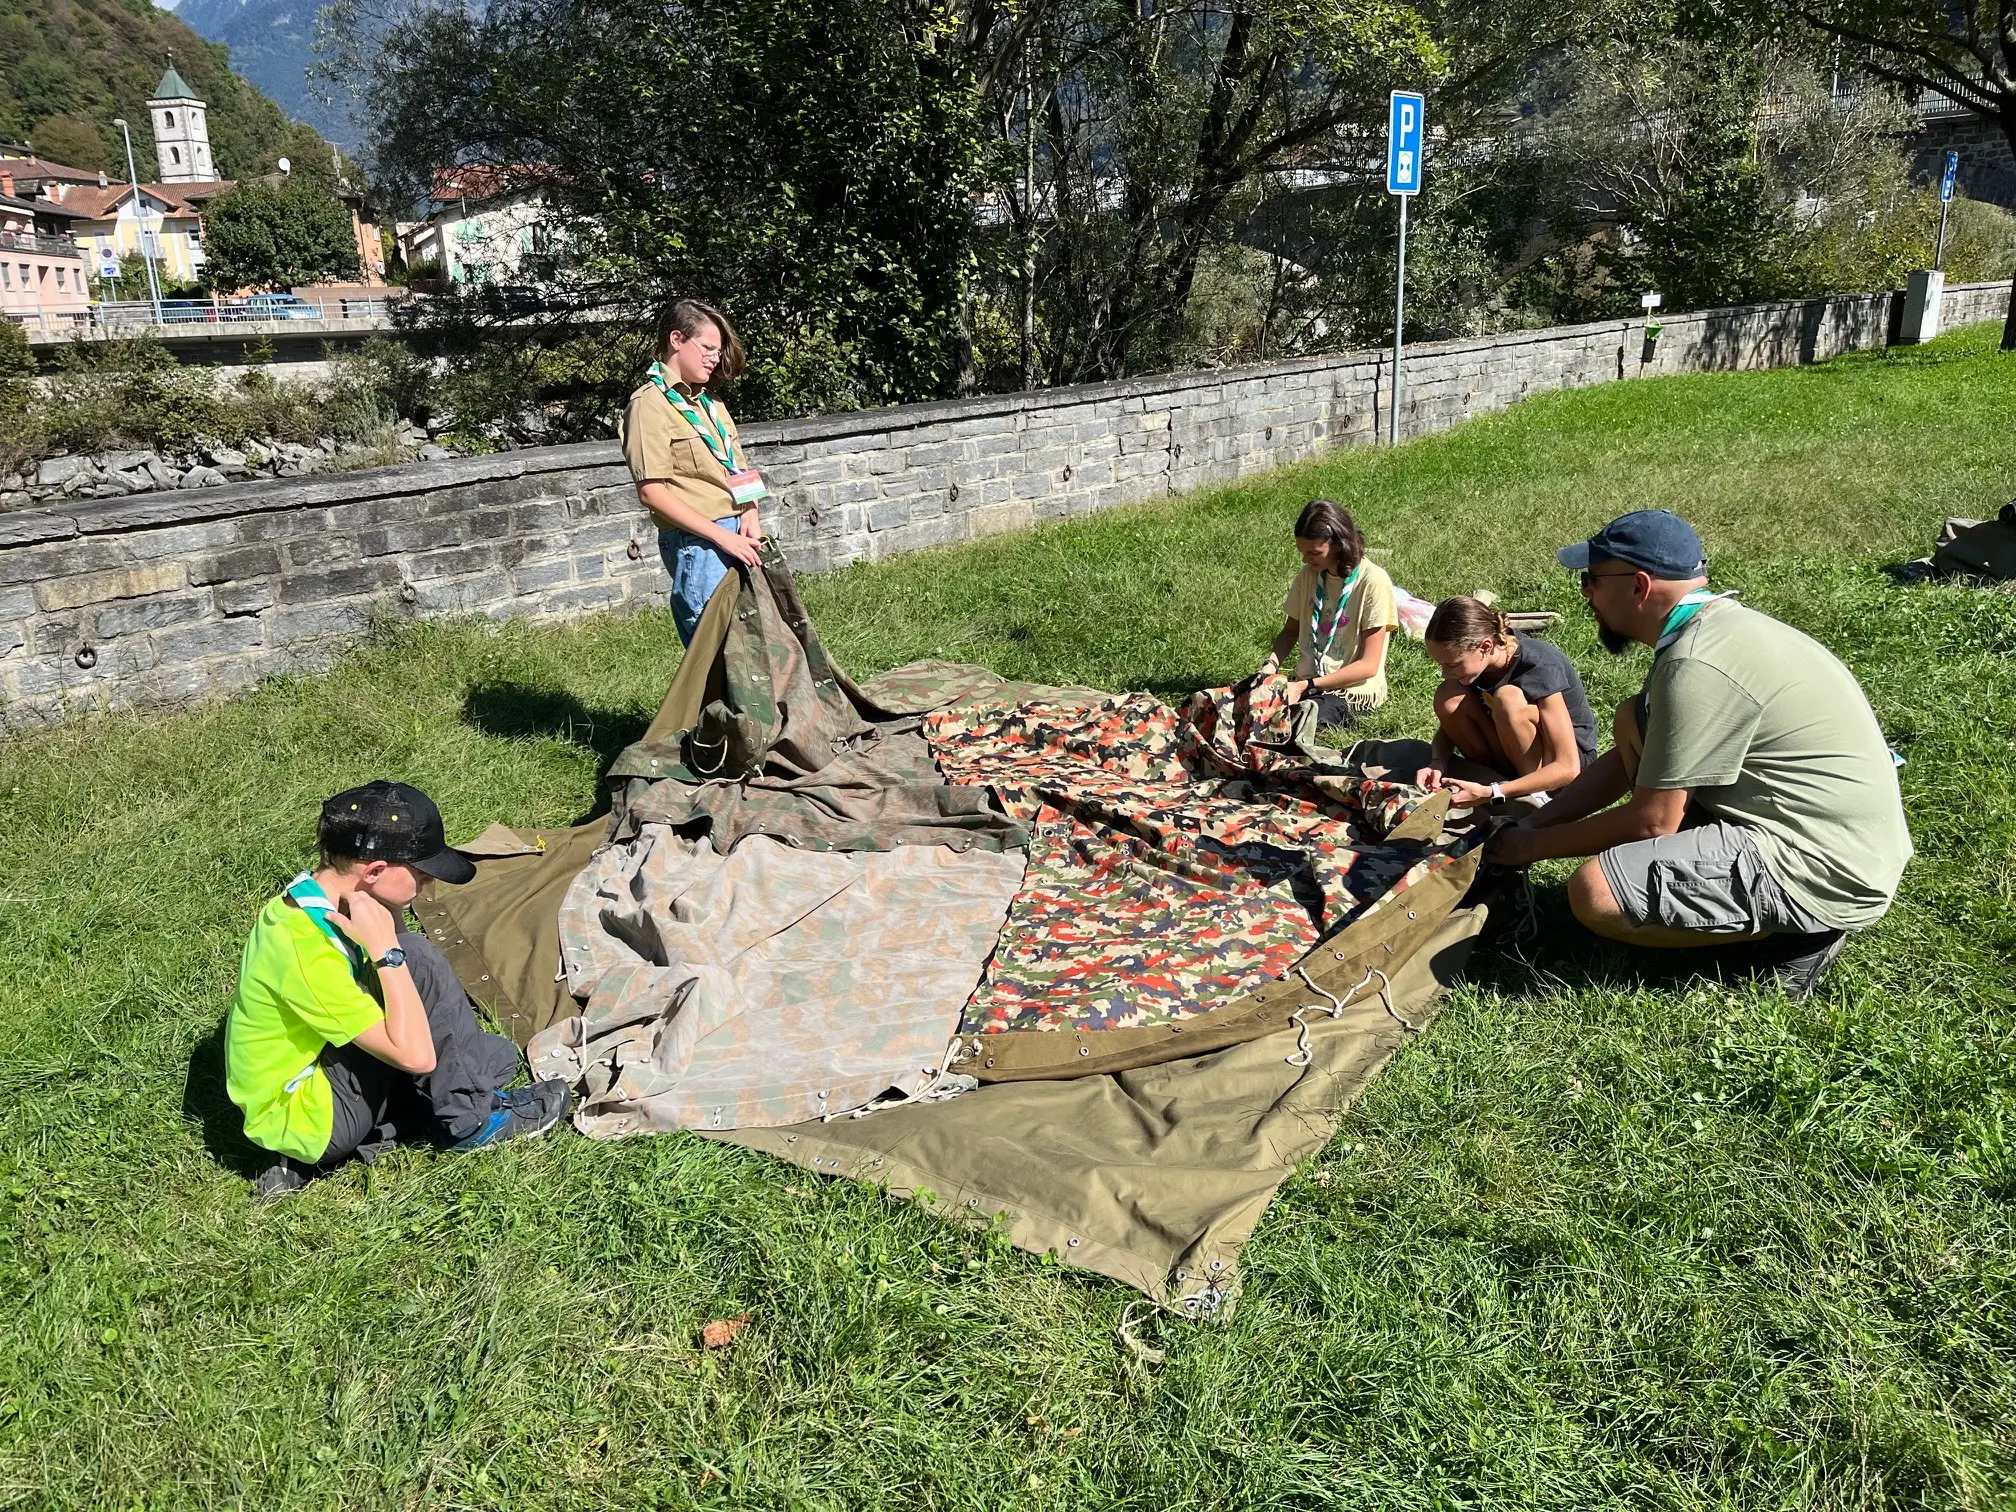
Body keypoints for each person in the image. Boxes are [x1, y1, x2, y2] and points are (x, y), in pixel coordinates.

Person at [1489, 510, 1913, 997]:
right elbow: (1629, 760)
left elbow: (1652, 823)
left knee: (1596, 893)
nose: (1586, 593)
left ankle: (1800, 934)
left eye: (1592, 579)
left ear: (1639, 586)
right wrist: (1537, 824)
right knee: (1633, 717)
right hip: (1837, 836)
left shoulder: (1694, 664)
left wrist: (1526, 850)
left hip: (1823, 863)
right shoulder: (1713, 629)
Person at [227, 781, 570, 1197]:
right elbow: (418, 1055)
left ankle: (397, 1123)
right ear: (373, 871)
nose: (427, 884)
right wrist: (386, 951)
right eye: (422, 873)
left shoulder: (320, 895)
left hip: (322, 1071)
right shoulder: (304, 947)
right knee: (418, 962)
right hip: (305, 1111)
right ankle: (470, 1123)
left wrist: (388, 918)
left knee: (493, 1056)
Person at [620, 298, 769, 645]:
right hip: (699, 543)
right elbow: (651, 492)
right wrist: (721, 537)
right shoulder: (648, 405)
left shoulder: (710, 404)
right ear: (677, 339)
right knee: (715, 649)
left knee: (750, 645)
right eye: (707, 348)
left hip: (738, 534)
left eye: (718, 351)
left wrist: (751, 512)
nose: (715, 358)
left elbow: (737, 465)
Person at [1416, 595, 1598, 807]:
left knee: (1508, 699)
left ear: (1485, 646)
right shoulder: (1478, 665)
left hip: (1564, 767)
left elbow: (1568, 767)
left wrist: (1493, 792)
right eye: (1441, 665)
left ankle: (1536, 799)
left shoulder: (1539, 664)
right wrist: (1438, 761)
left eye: (1453, 665)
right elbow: (1448, 729)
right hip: (1511, 754)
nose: (1445, 673)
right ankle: (1496, 783)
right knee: (1449, 695)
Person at [1260, 499, 1399, 737]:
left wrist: (1306, 686)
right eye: (1302, 552)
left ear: (1338, 544)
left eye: (1314, 553)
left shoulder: (1373, 581)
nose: (1306, 560)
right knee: (1253, 711)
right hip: (1307, 682)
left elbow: (1368, 665)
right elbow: (1290, 632)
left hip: (1350, 691)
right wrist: (1270, 665)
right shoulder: (1309, 576)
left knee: (1291, 727)